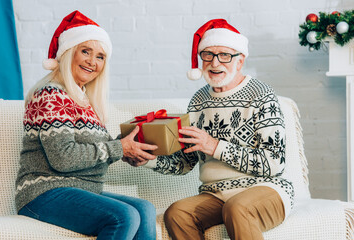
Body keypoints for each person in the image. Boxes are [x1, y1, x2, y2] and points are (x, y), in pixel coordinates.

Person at [125, 19, 294, 240]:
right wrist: (147, 160)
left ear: (240, 60)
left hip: (266, 189)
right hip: (216, 195)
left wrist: (215, 146)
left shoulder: (261, 95)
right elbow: (186, 162)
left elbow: (273, 163)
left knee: (237, 207)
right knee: (177, 213)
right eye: (208, 55)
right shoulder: (198, 101)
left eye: (224, 55)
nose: (215, 63)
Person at [15, 10, 157, 240]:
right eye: (85, 51)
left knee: (144, 209)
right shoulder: (50, 95)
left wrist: (126, 152)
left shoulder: (85, 100)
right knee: (124, 216)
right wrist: (118, 148)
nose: (92, 61)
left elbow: (95, 152)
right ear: (69, 53)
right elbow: (63, 158)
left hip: (83, 190)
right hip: (43, 194)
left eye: (100, 56)